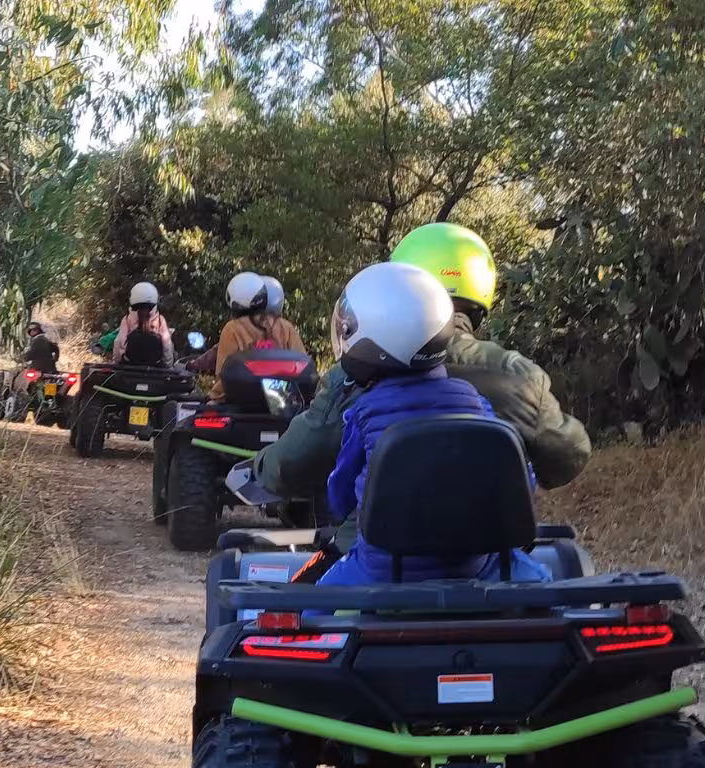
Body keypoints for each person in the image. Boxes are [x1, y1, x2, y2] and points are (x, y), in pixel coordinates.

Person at [251, 223, 590, 560]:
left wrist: (261, 468)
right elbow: (566, 457)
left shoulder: (357, 373)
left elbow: (297, 463)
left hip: (378, 561)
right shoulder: (520, 375)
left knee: (297, 601)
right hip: (490, 560)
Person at [313, 262, 549, 587]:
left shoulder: (364, 413)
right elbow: (524, 480)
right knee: (546, 586)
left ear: (372, 337)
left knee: (313, 609)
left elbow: (339, 496)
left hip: (382, 572)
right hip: (478, 566)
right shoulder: (475, 401)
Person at [188, 273, 306, 388]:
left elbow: (223, 377)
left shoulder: (232, 329)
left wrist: (214, 398)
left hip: (243, 402)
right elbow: (303, 366)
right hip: (282, 400)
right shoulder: (286, 328)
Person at [112, 281, 174, 365]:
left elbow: (119, 343)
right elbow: (167, 345)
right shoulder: (159, 319)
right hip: (154, 367)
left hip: (131, 366)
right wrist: (168, 366)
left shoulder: (127, 319)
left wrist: (117, 363)